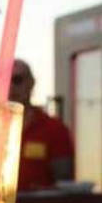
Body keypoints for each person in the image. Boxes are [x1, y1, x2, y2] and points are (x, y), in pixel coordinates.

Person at [8, 59, 75, 191]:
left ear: (31, 83)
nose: (11, 86)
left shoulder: (55, 129)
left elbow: (64, 182)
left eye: (17, 80)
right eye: (5, 81)